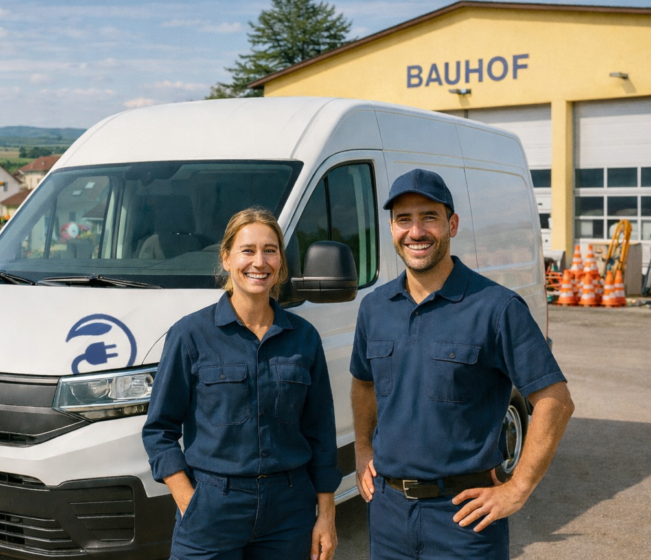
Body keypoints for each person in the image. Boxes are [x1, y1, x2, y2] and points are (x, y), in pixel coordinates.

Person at [350, 169, 574, 559]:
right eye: (404, 219)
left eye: (429, 217)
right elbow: (363, 382)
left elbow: (555, 402)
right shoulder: (374, 308)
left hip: (463, 520)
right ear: (391, 229)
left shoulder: (496, 307)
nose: (416, 231)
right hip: (388, 515)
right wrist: (363, 449)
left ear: (452, 225)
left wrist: (517, 489)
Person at [143, 207, 341, 560]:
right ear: (226, 258)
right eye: (247, 250)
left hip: (289, 511)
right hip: (213, 506)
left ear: (281, 261)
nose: (259, 262)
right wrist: (188, 501)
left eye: (270, 250)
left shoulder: (304, 337)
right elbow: (159, 430)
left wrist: (326, 515)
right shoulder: (190, 335)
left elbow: (321, 432)